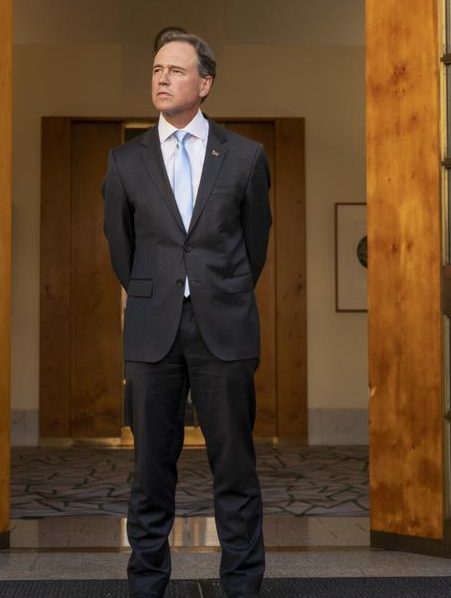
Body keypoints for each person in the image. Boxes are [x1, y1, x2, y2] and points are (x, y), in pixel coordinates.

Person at [102, 31, 271, 598]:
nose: (161, 78)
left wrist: (215, 289)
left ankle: (242, 584)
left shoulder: (245, 156)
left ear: (204, 84)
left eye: (175, 70)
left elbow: (256, 244)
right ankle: (147, 582)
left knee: (235, 467)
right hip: (153, 332)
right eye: (156, 69)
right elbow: (121, 249)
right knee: (150, 469)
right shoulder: (125, 161)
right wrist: (157, 293)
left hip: (223, 327)